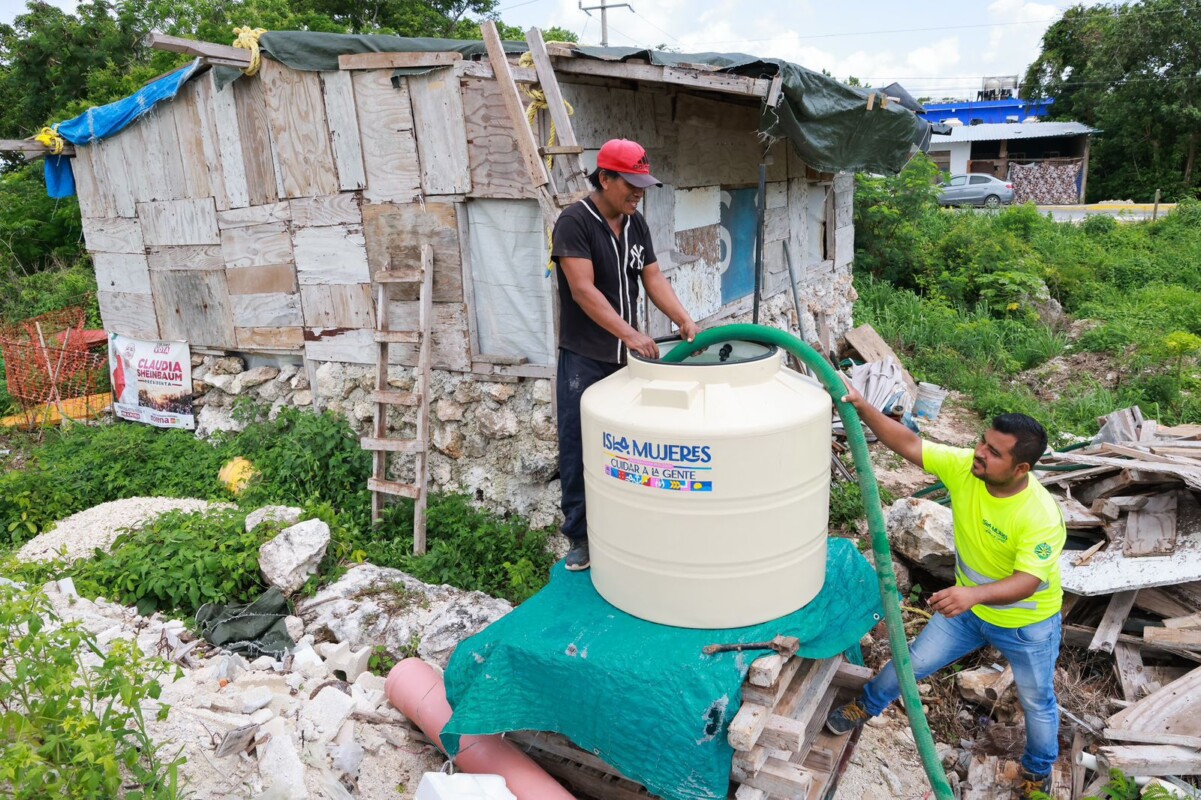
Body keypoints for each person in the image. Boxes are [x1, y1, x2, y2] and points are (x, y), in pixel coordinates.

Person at [826, 386, 1065, 799]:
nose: (980, 453)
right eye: (982, 442)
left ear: (1021, 467)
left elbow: (1027, 581)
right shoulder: (966, 469)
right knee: (911, 662)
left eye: (994, 452)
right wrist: (864, 407)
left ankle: (1036, 772)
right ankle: (865, 705)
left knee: (1036, 702)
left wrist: (970, 595)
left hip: (1027, 625)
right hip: (970, 612)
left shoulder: (1039, 515)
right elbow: (911, 443)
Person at [551, 138, 700, 571]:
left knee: (633, 446)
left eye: (643, 185)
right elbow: (582, 290)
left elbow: (652, 278)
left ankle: (631, 527)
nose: (639, 192)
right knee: (579, 443)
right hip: (586, 356)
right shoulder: (574, 222)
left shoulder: (637, 224)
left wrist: (682, 318)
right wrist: (631, 333)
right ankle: (579, 536)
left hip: (629, 361)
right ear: (604, 178)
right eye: (631, 184)